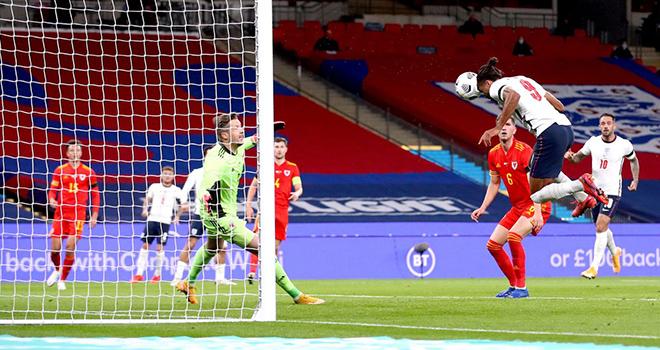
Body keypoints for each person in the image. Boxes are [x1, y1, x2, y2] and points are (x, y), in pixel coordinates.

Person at [175, 113, 324, 305]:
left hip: (217, 213)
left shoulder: (237, 147)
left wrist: (268, 130)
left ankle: (187, 282)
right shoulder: (216, 159)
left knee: (212, 247)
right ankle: (297, 296)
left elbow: (252, 140)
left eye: (240, 126)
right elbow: (207, 187)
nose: (241, 129)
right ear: (225, 136)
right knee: (264, 250)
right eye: (236, 127)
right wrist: (213, 209)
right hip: (218, 214)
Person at [476, 57, 605, 232]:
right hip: (566, 129)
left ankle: (581, 184)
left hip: (549, 133)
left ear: (488, 82)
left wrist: (496, 128)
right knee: (541, 174)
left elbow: (513, 96)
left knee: (535, 194)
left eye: (482, 90)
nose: (484, 94)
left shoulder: (497, 87)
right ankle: (583, 198)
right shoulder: (523, 79)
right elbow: (559, 106)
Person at [472, 118, 551, 298]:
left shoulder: (524, 151)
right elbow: (494, 183)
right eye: (501, 126)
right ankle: (513, 286)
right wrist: (483, 207)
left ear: (515, 130)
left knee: (514, 237)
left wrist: (538, 212)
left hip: (536, 203)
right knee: (493, 245)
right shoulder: (493, 154)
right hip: (517, 207)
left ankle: (522, 288)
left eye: (508, 125)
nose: (504, 129)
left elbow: (535, 182)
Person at [565, 113, 640, 279]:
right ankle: (615, 252)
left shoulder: (624, 144)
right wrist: (570, 158)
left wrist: (635, 180)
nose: (605, 126)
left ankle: (594, 267)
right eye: (602, 124)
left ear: (614, 126)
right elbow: (577, 159)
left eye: (608, 123)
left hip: (612, 191)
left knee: (600, 226)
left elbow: (634, 160)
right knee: (601, 228)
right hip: (594, 191)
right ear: (599, 127)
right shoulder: (593, 142)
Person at [172, 147, 235, 286]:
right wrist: (183, 202)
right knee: (190, 245)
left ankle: (220, 278)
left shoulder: (221, 172)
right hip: (200, 214)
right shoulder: (197, 173)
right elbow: (184, 191)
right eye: (209, 155)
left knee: (222, 247)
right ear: (205, 157)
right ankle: (177, 277)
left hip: (217, 215)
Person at [244, 137, 303, 284]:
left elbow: (299, 187)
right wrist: (248, 204)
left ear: (286, 149)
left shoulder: (292, 167)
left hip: (282, 209)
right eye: (276, 146)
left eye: (281, 147)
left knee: (275, 245)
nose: (279, 149)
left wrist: (296, 193)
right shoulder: (265, 165)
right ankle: (252, 272)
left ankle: (270, 272)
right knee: (258, 238)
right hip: (265, 208)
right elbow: (253, 186)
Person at [46, 140, 100, 291]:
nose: (74, 153)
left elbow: (95, 194)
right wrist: (51, 199)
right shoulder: (60, 170)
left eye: (77, 150)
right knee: (55, 250)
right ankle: (57, 270)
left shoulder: (88, 172)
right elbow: (53, 189)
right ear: (67, 153)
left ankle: (62, 279)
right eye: (71, 150)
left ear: (81, 153)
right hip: (61, 213)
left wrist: (94, 215)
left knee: (70, 248)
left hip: (78, 214)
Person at [130, 166, 183, 284]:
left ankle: (157, 275)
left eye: (170, 174)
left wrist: (177, 216)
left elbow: (182, 205)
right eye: (165, 173)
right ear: (161, 175)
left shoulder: (176, 190)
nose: (167, 175)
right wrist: (145, 209)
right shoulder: (154, 187)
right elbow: (147, 200)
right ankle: (139, 274)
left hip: (164, 222)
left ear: (173, 176)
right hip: (152, 219)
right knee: (145, 246)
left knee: (159, 248)